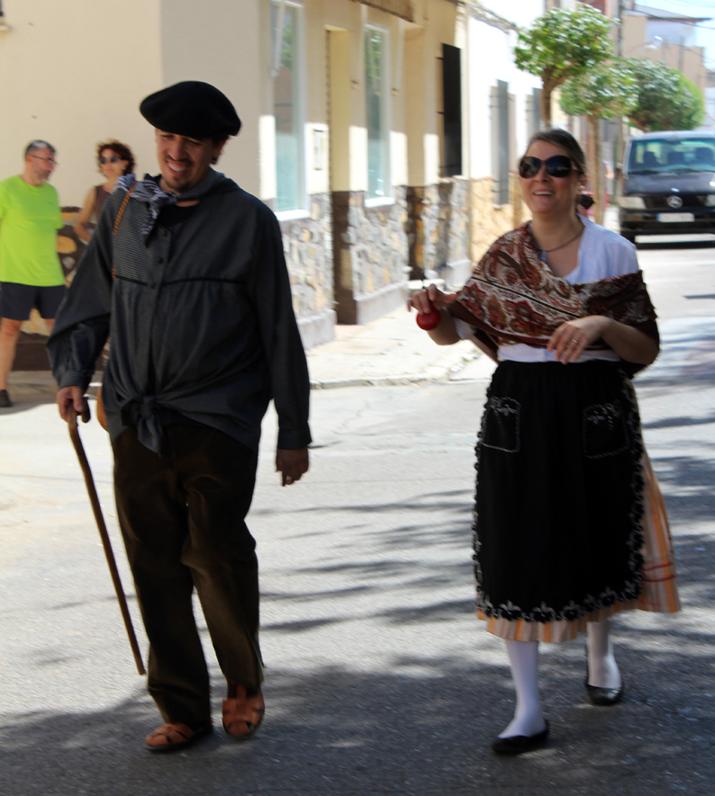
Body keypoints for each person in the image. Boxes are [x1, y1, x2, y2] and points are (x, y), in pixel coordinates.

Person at [48, 81, 311, 753]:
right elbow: (85, 305)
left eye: (191, 142)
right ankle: (182, 706)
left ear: (216, 147)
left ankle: (244, 683)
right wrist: (73, 374)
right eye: (167, 139)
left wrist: (293, 430)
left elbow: (278, 329)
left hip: (217, 418)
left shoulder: (246, 220)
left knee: (216, 555)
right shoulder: (123, 209)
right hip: (134, 416)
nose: (176, 153)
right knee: (154, 563)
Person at [410, 128, 679, 755]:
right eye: (530, 165)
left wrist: (600, 322)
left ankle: (600, 656)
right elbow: (458, 328)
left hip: (595, 409)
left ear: (580, 179)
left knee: (599, 534)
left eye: (557, 167)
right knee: (514, 546)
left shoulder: (613, 253)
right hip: (519, 410)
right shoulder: (503, 256)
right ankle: (527, 709)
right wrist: (430, 313)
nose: (542, 177)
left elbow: (645, 348)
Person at [0, 140, 65, 407]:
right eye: (46, 159)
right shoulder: (7, 189)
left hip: (50, 276)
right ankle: (1, 388)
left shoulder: (52, 193)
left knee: (61, 330)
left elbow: (52, 232)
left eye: (52, 161)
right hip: (15, 273)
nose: (50, 166)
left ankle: (69, 386)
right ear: (29, 159)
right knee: (9, 330)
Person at [73, 140, 135, 243]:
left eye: (113, 159)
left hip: (132, 253)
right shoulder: (95, 192)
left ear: (125, 163)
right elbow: (80, 225)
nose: (108, 164)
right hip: (107, 256)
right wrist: (97, 245)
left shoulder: (137, 189)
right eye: (103, 160)